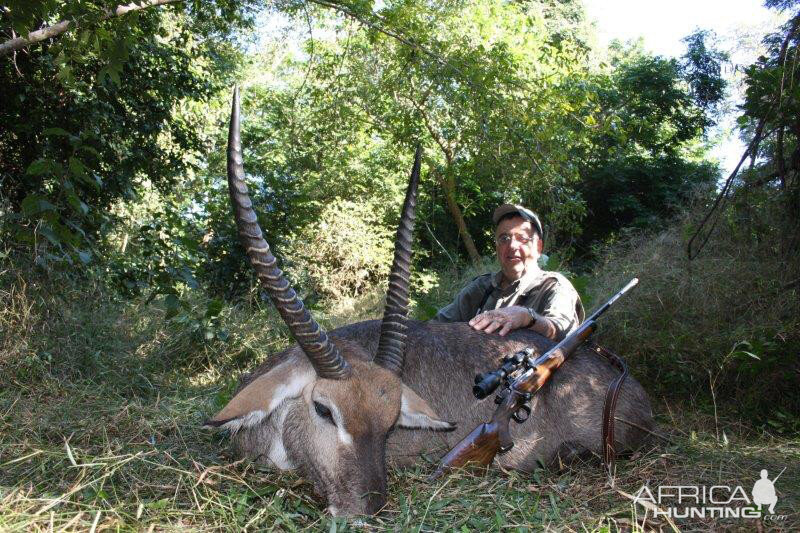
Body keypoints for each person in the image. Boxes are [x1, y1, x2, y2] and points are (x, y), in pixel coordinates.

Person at [434, 204, 584, 341]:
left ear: (538, 247)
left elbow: (564, 331)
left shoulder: (554, 286)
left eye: (522, 238)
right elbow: (436, 327)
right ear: (497, 248)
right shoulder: (481, 287)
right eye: (504, 238)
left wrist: (527, 317)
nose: (512, 245)